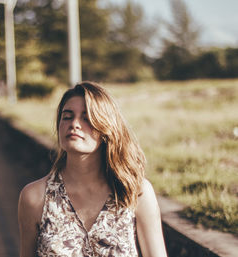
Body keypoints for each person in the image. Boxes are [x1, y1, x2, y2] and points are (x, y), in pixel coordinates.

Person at [18, 81, 168, 257]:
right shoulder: (34, 197)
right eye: (67, 116)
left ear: (106, 128)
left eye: (86, 118)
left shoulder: (135, 192)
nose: (74, 124)